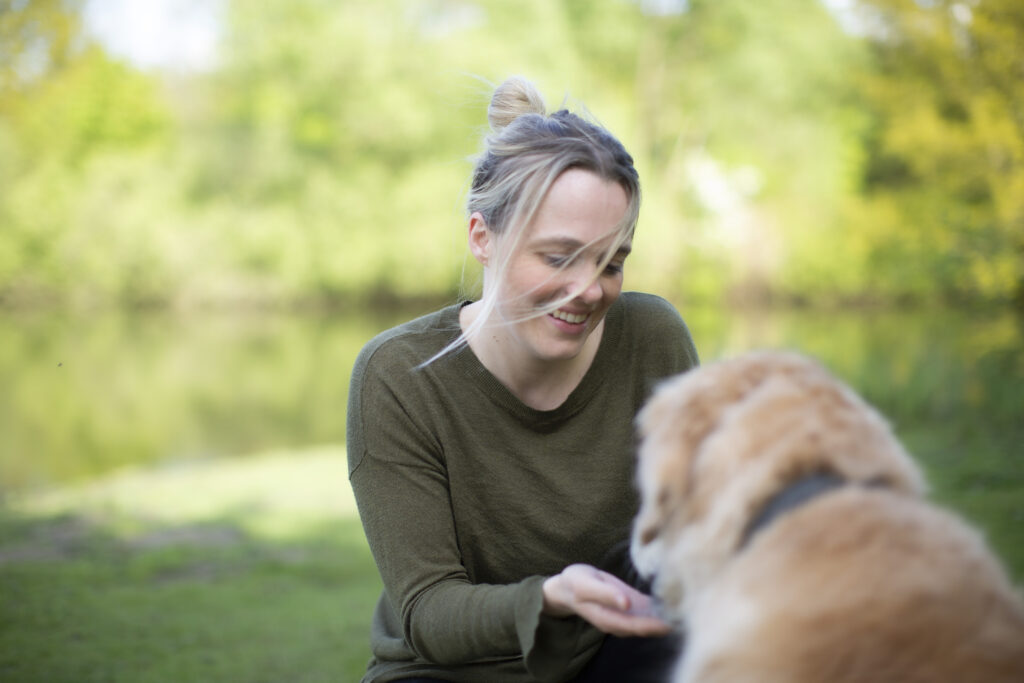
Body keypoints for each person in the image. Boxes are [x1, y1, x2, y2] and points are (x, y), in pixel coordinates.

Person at [346, 76, 700, 683]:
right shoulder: (398, 376)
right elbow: (428, 613)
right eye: (559, 257)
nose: (589, 290)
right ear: (482, 237)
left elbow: (700, 520)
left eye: (611, 261)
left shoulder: (652, 337)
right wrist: (551, 599)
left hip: (618, 649)